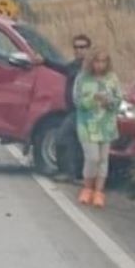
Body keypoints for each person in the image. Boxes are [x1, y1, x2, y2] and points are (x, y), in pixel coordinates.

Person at [74, 50, 124, 208]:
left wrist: (108, 100)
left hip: (106, 124)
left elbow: (118, 100)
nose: (100, 65)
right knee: (92, 157)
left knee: (103, 159)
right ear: (91, 62)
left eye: (103, 62)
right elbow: (77, 100)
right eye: (97, 61)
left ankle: (99, 191)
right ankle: (87, 187)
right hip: (87, 125)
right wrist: (92, 99)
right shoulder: (82, 78)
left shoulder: (112, 78)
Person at [52, 34, 92, 182]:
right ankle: (74, 174)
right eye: (76, 47)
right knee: (74, 143)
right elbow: (61, 67)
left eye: (82, 47)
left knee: (62, 137)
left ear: (88, 49)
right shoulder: (74, 65)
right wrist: (44, 61)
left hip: (83, 112)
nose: (78, 50)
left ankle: (71, 174)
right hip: (74, 110)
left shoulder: (91, 67)